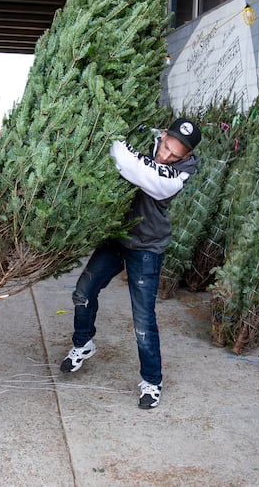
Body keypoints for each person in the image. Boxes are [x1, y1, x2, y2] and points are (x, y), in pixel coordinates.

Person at [59, 118, 201, 410]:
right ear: (162, 135)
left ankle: (151, 381)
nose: (165, 156)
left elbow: (138, 171)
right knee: (83, 291)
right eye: (165, 147)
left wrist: (118, 147)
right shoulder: (142, 138)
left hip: (147, 247)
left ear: (186, 157)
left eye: (175, 156)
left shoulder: (181, 174)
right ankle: (83, 343)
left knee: (143, 320)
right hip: (117, 235)